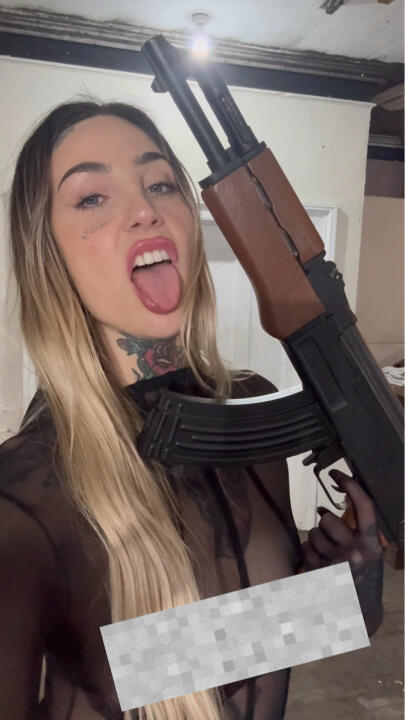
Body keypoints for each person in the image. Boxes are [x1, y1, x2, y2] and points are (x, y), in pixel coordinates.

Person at [0, 100, 384, 720]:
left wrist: (339, 597)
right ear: (47, 253)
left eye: (160, 184)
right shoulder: (25, 499)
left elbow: (247, 650)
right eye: (92, 197)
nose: (145, 210)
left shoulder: (251, 410)